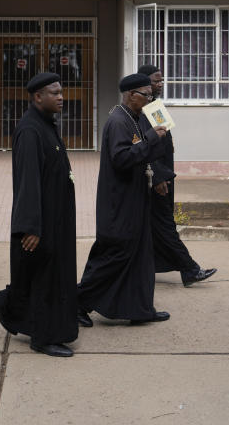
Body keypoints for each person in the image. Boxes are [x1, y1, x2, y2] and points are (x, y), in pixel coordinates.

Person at [0, 72, 79, 357]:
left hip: (55, 217)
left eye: (62, 91)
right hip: (40, 222)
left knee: (48, 278)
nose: (61, 97)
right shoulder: (30, 130)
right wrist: (30, 227)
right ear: (38, 97)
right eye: (55, 92)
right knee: (44, 281)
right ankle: (43, 337)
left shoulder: (46, 124)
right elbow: (28, 182)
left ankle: (7, 305)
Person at [77, 73, 170, 326]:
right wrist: (152, 138)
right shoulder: (119, 121)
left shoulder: (137, 118)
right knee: (115, 254)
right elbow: (121, 159)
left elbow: (145, 153)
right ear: (131, 95)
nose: (151, 99)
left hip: (135, 197)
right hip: (119, 202)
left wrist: (157, 148)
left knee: (140, 255)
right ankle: (78, 303)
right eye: (146, 94)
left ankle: (140, 309)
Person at [137, 64, 216, 286]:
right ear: (144, 83)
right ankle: (190, 270)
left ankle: (145, 266)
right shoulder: (142, 109)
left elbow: (165, 143)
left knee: (157, 224)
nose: (160, 84)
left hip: (166, 174)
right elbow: (145, 146)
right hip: (157, 178)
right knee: (165, 224)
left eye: (162, 80)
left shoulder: (156, 106)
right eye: (156, 80)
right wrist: (159, 176)